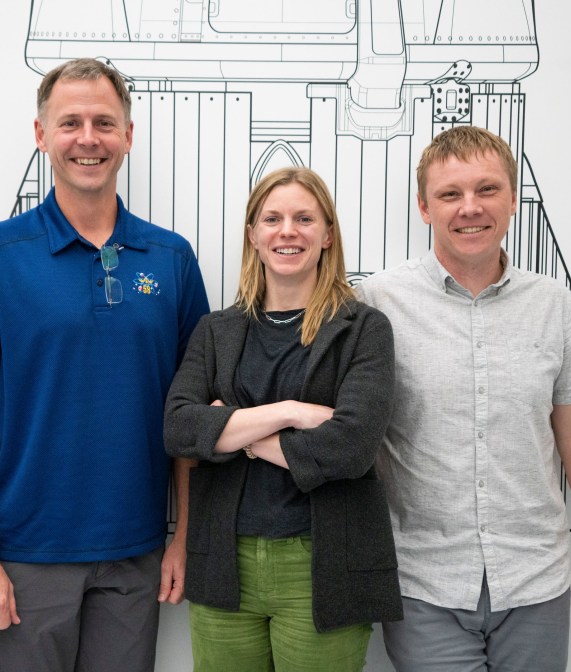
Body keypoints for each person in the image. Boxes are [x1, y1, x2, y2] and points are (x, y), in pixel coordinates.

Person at [0, 58, 210, 672]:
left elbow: (191, 420)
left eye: (105, 123)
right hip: (21, 559)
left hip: (133, 555)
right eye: (71, 123)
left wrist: (185, 540)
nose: (89, 138)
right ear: (41, 135)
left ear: (129, 136)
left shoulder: (171, 259)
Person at [357, 126, 571, 671]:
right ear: (424, 207)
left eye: (487, 189)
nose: (470, 208)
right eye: (450, 194)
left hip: (535, 580)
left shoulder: (552, 303)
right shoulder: (377, 301)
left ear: (511, 199)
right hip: (423, 582)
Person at [164, 167, 402, 672]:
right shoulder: (216, 331)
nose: (287, 231)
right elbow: (180, 428)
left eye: (303, 218)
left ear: (327, 234)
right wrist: (289, 413)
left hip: (325, 564)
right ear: (253, 235)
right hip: (222, 559)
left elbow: (352, 447)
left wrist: (232, 431)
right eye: (272, 218)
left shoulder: (363, 329)